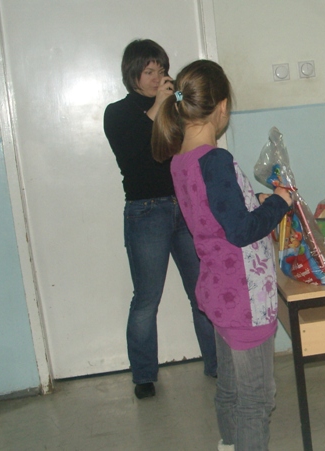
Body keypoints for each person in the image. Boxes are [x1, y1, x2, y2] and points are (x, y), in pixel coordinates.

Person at [151, 59, 292, 451]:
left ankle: (229, 444)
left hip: (218, 290)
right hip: (244, 297)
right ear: (223, 107)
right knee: (256, 399)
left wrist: (256, 201)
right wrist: (278, 202)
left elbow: (216, 213)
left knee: (229, 389)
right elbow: (240, 230)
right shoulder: (216, 161)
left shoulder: (181, 161)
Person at [103, 39, 217, 400]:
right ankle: (143, 376)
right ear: (132, 74)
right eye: (148, 71)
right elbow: (136, 155)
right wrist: (157, 108)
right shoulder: (118, 113)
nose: (157, 78)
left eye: (161, 70)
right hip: (145, 212)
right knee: (147, 298)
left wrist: (173, 106)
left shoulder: (174, 108)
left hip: (185, 207)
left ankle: (217, 363)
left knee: (202, 291)